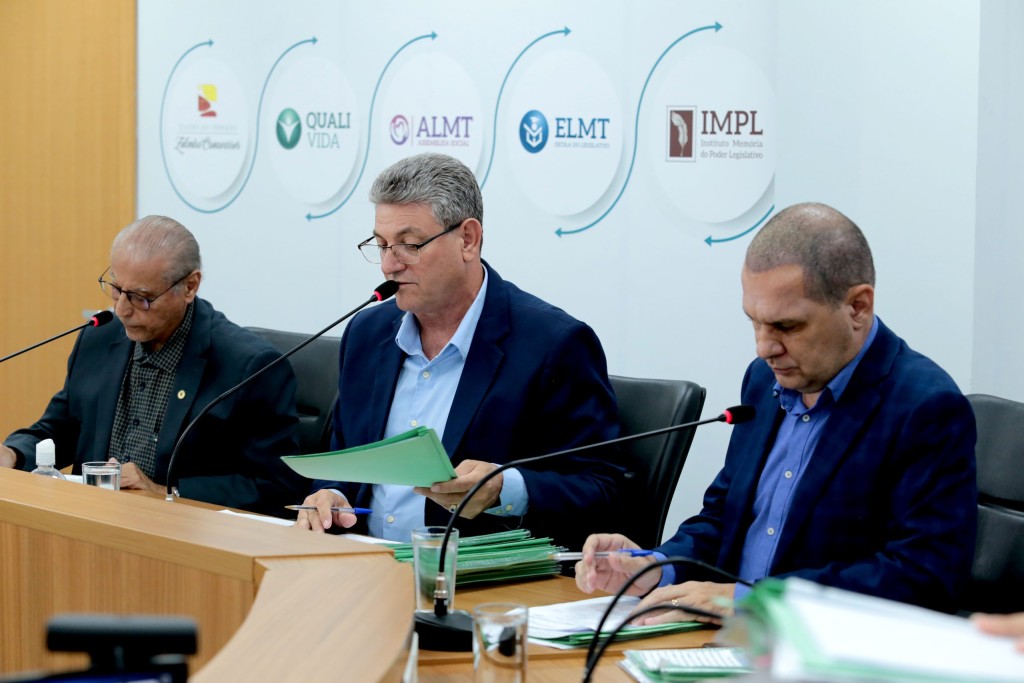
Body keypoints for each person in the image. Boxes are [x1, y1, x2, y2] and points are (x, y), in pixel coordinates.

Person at [575, 202, 977, 619]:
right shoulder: (763, 380)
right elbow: (723, 517)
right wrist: (657, 567)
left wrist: (750, 600)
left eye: (787, 327)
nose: (764, 347)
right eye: (755, 321)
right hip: (723, 637)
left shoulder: (925, 407)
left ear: (858, 307)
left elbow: (924, 575)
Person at [293, 153, 622, 548]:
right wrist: (331, 494)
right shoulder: (367, 333)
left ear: (468, 239)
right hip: (363, 563)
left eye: (409, 245)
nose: (388, 266)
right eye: (380, 245)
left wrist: (504, 489)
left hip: (470, 575)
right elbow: (345, 458)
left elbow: (603, 489)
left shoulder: (553, 344)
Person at [0, 215, 307, 516]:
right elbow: (61, 428)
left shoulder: (249, 367)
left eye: (140, 297)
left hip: (181, 533)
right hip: (93, 522)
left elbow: (278, 486)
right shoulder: (99, 337)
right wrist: (14, 454)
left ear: (190, 286)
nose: (122, 310)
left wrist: (164, 492)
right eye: (116, 289)